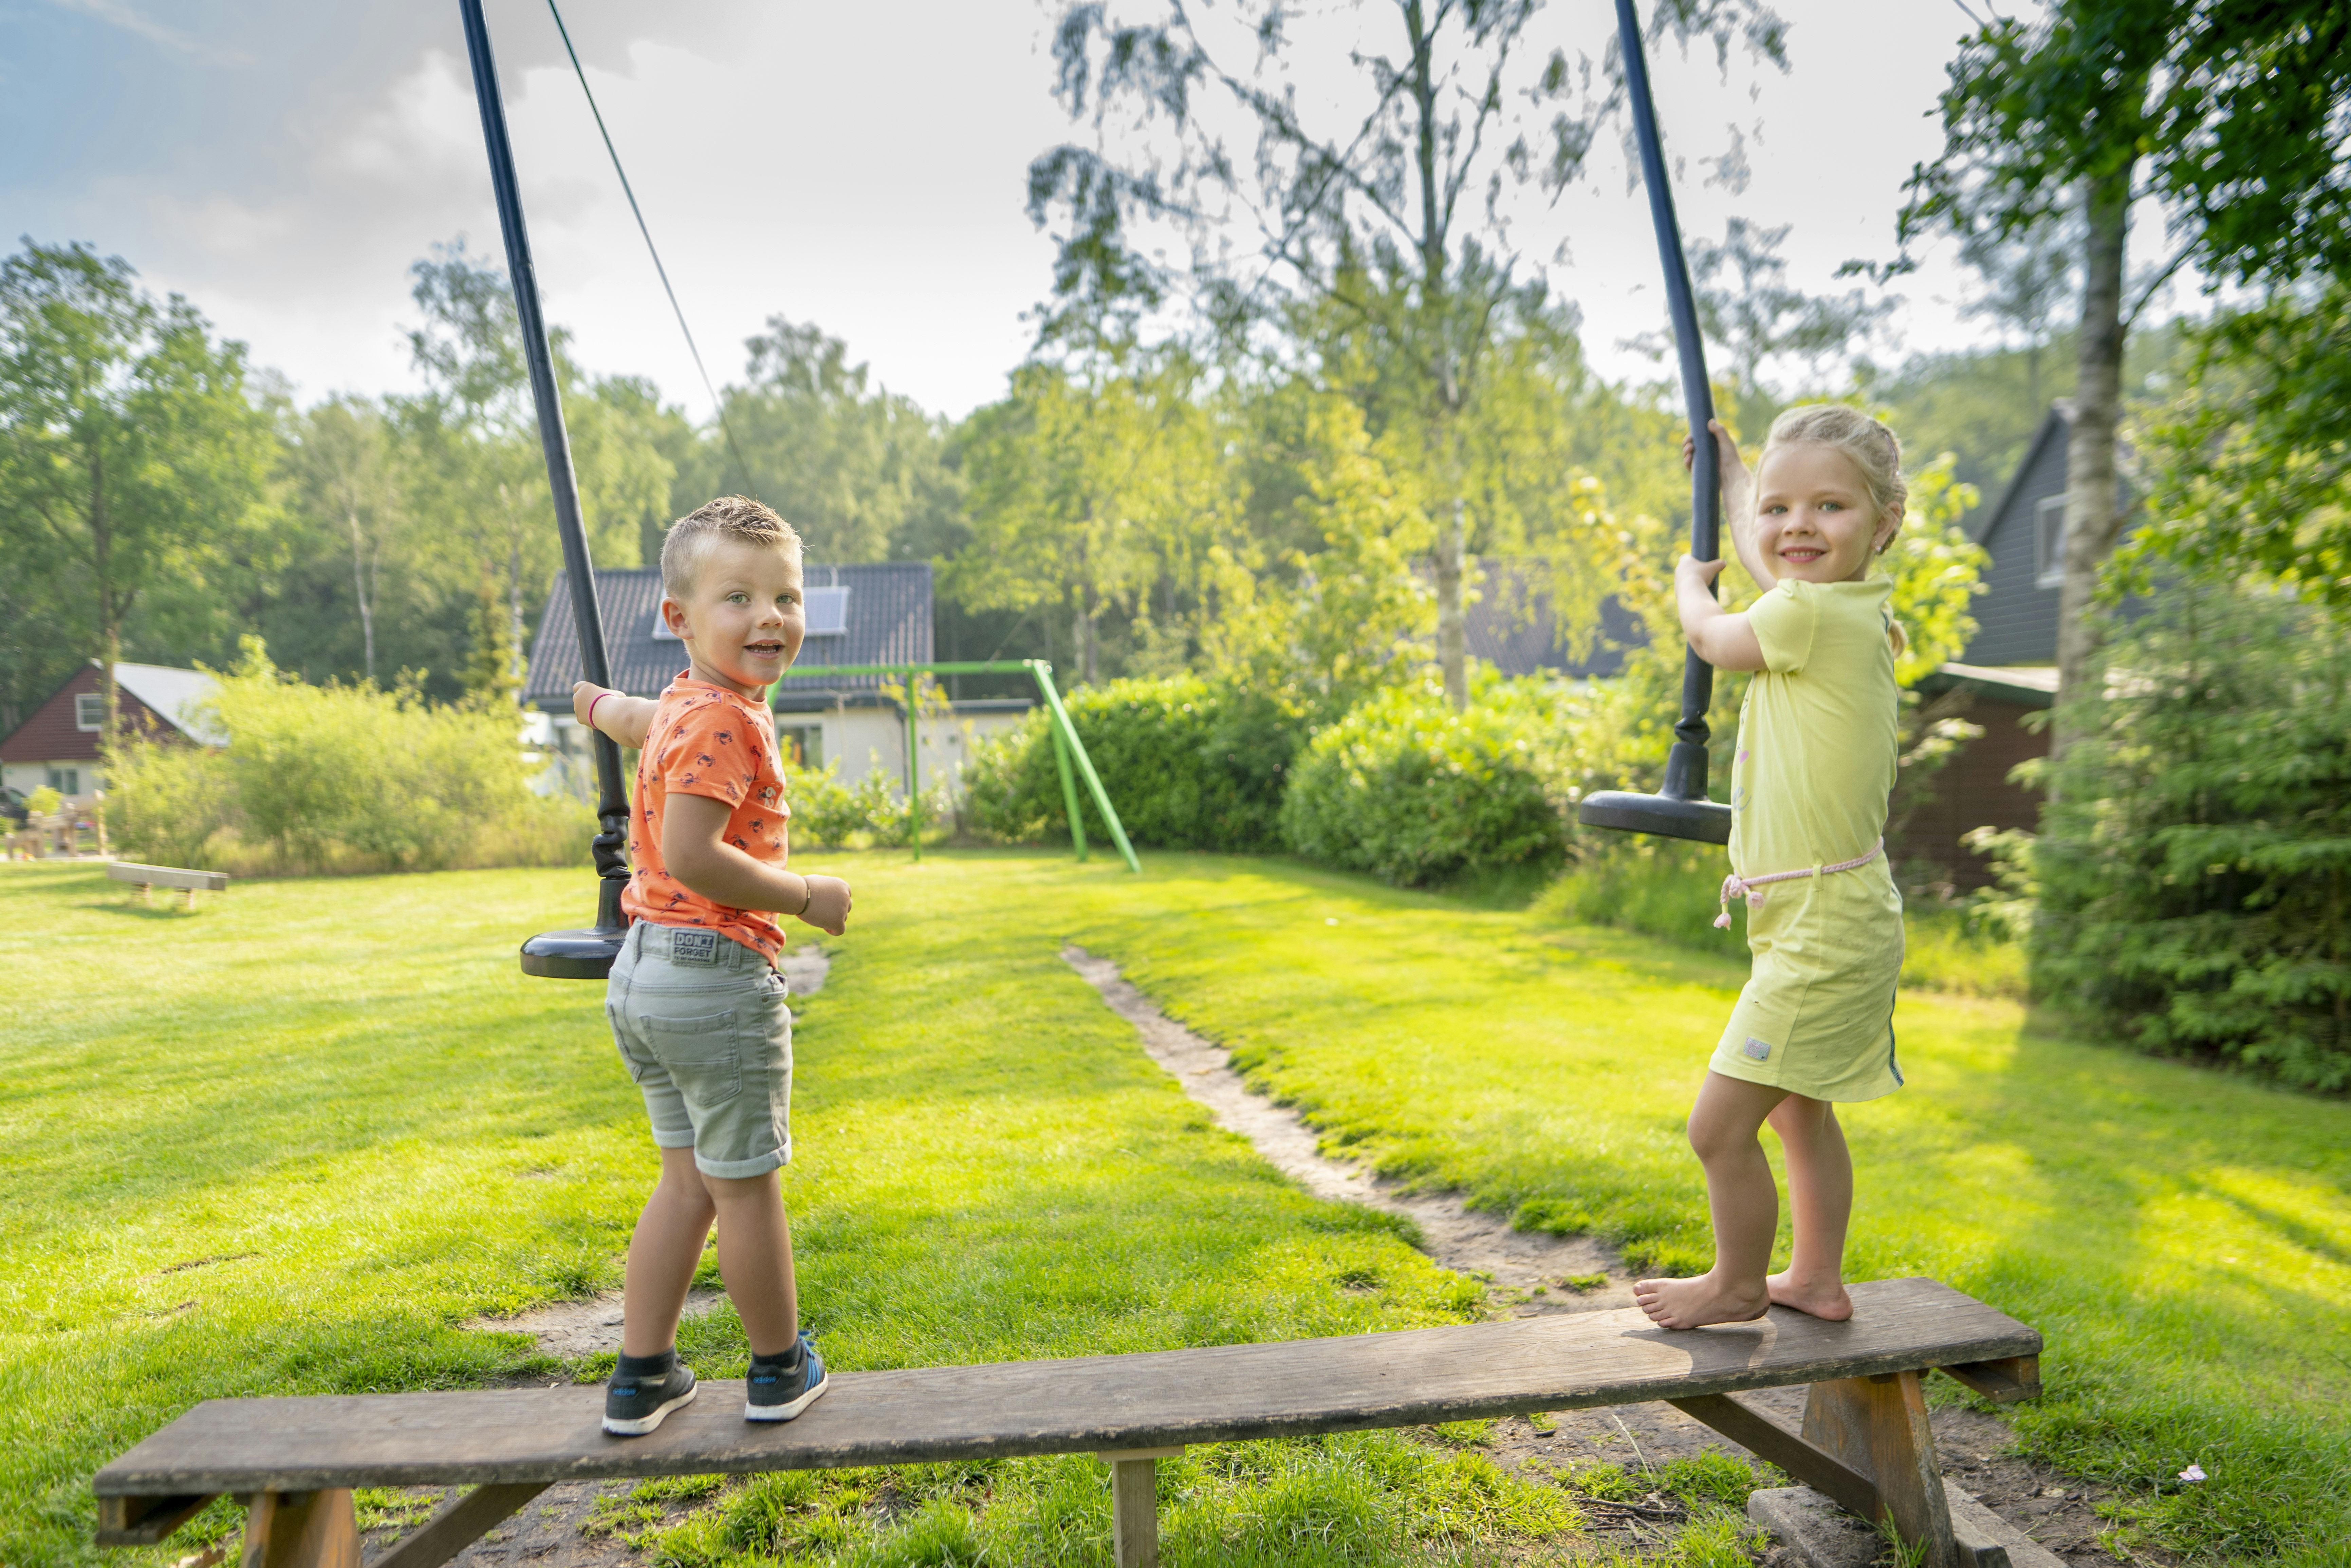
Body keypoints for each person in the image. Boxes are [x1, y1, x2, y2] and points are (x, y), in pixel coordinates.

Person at [569, 494, 852, 1433]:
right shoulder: (728, 720)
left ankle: (641, 1375)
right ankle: (777, 1368)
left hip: (644, 977)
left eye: (787, 597)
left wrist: (590, 704)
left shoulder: (686, 705)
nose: (770, 617)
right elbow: (693, 853)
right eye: (740, 596)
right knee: (745, 1187)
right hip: (713, 975)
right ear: (680, 619)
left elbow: (631, 716)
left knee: (685, 1182)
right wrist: (805, 894)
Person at [1633, 405, 1909, 1332]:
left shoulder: (1805, 614)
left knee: (1716, 1127)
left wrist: (1686, 585)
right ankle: (1817, 1279)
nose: (1797, 524)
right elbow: (1779, 556)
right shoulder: (1839, 608)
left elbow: (1717, 637)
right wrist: (1736, 471)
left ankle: (1737, 1283)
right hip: (1828, 912)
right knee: (1798, 1113)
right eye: (1779, 507)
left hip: (1822, 927)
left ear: (1883, 522)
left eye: (1829, 506)